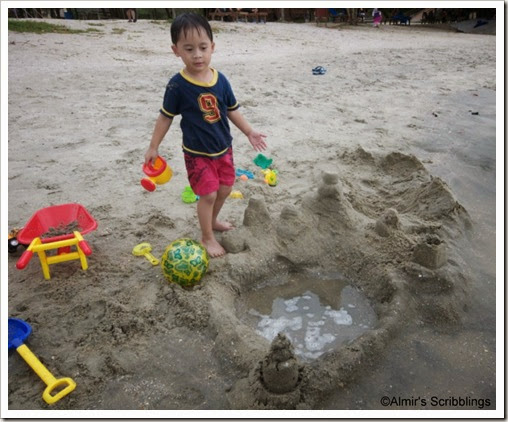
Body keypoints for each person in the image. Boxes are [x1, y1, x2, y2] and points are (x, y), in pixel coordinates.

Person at [144, 13, 267, 258]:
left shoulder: (221, 80)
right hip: (197, 153)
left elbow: (232, 110)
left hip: (224, 148)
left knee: (225, 189)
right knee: (208, 194)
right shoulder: (177, 85)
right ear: (176, 50)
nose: (197, 55)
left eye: (203, 47)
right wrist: (153, 146)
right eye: (189, 49)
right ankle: (207, 236)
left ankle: (212, 221)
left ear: (212, 46)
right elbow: (165, 117)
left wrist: (249, 131)